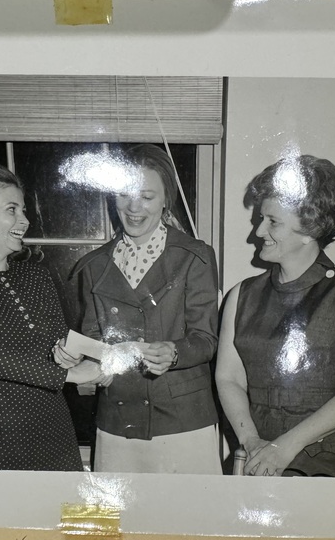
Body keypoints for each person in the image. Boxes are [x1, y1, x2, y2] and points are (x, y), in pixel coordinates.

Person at [0, 161, 103, 471]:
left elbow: (58, 338)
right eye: (12, 210)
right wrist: (70, 375)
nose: (25, 221)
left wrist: (74, 356)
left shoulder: (36, 275)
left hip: (53, 424)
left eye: (23, 210)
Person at [215, 155, 335, 478]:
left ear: (310, 229)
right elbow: (228, 378)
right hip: (256, 450)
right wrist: (251, 442)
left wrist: (284, 448)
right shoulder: (241, 294)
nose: (258, 231)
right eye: (261, 218)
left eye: (273, 221)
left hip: (325, 453)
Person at [68, 144, 221, 474]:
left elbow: (206, 339)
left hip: (183, 423)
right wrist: (81, 358)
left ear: (166, 199)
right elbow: (95, 341)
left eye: (147, 196)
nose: (133, 207)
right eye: (124, 194)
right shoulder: (94, 265)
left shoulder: (195, 256)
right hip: (117, 421)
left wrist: (174, 352)